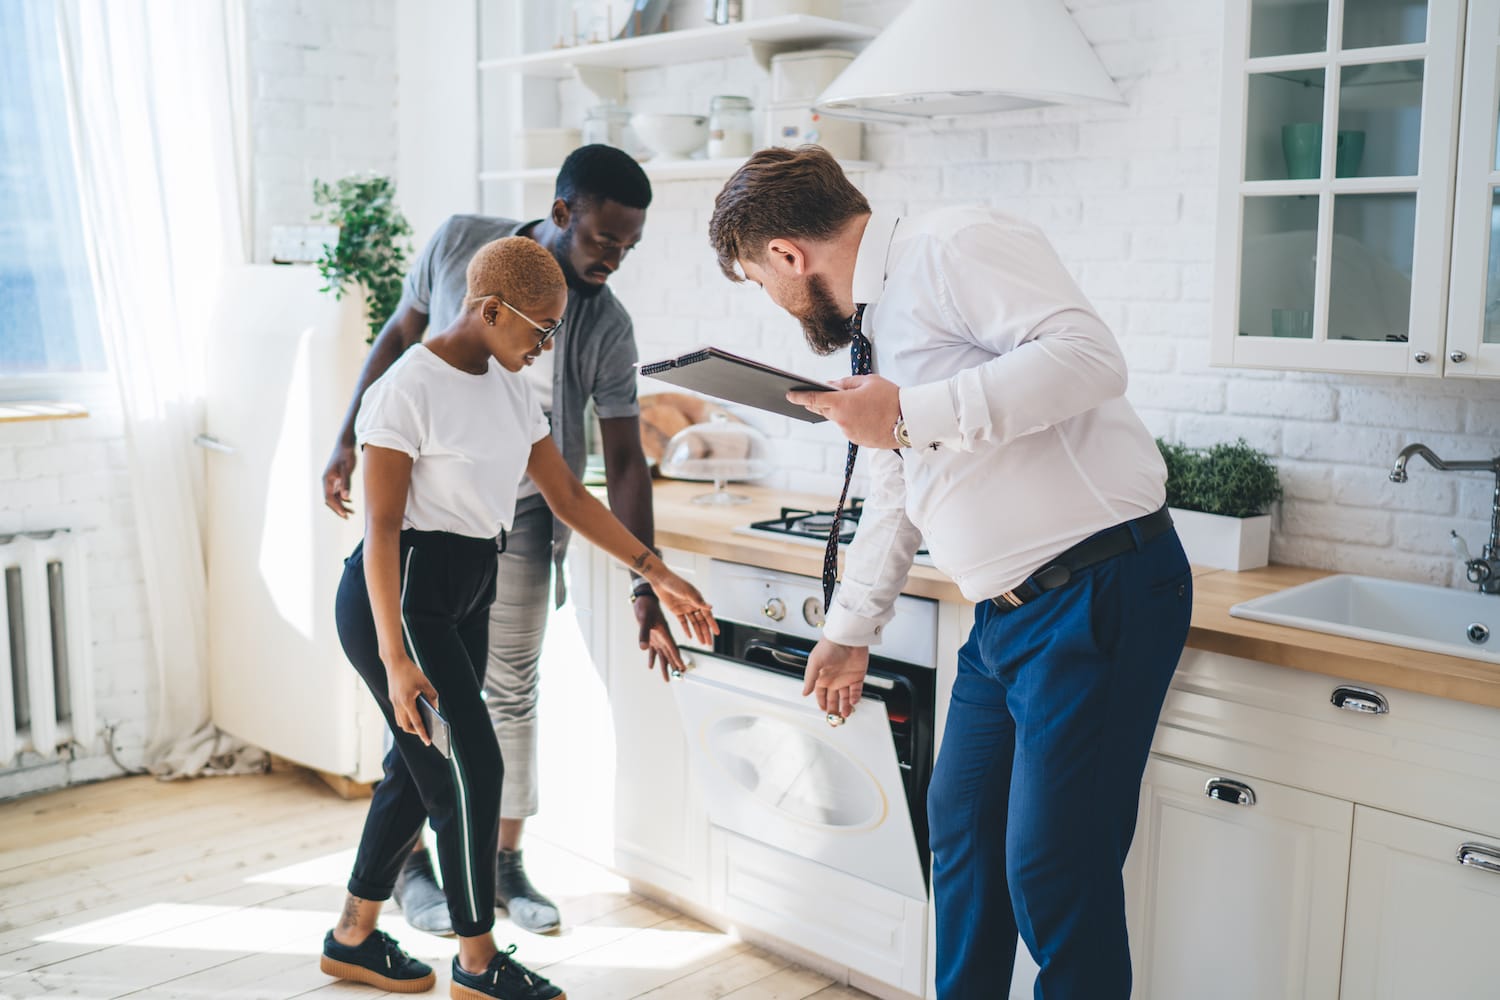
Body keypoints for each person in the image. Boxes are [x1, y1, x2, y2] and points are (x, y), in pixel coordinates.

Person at [707, 145, 1193, 999]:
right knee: (961, 842)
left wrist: (907, 412)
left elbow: (1089, 360)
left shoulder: (954, 245)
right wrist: (849, 630)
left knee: (1055, 870)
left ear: (787, 254)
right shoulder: (877, 331)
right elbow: (898, 491)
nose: (778, 302)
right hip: (1004, 619)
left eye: (761, 281)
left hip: (1097, 589)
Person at [323, 235, 717, 1000]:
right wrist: (396, 658)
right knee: (473, 770)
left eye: (555, 330)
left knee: (415, 771)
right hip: (405, 597)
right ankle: (477, 963)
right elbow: (379, 531)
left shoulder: (506, 385)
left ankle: (352, 939)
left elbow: (568, 498)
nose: (546, 347)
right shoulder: (406, 391)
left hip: (472, 586)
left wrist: (658, 573)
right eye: (539, 330)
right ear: (491, 309)